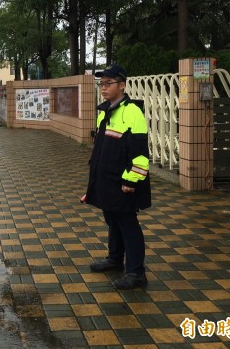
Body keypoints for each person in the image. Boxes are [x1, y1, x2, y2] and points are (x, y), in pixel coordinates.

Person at [83, 64, 151, 290]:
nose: (103, 88)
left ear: (122, 85)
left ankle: (136, 273)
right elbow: (102, 149)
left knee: (128, 225)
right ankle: (114, 259)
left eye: (108, 83)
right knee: (112, 220)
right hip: (106, 180)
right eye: (101, 84)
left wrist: (131, 181)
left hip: (124, 182)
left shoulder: (133, 112)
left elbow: (140, 154)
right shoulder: (104, 110)